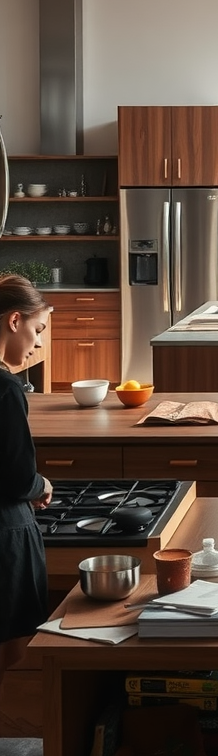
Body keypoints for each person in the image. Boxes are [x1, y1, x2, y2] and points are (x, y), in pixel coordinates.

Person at [0, 275, 53, 686]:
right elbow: (17, 477)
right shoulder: (5, 388)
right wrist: (40, 486)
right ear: (14, 321)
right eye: (37, 330)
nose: (37, 344)